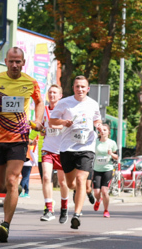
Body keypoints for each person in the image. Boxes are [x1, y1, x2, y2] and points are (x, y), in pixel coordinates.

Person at [0, 47, 44, 242]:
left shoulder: (30, 82)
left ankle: (5, 224)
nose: (15, 65)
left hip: (19, 137)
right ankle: (14, 192)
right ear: (5, 61)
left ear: (23, 63)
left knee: (13, 180)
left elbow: (39, 102)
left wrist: (38, 120)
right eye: (11, 61)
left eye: (18, 62)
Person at [49, 75, 102, 230]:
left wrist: (98, 126)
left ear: (88, 89)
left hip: (87, 147)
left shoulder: (93, 104)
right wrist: (64, 122)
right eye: (77, 86)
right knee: (72, 183)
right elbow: (52, 121)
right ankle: (86, 190)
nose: (80, 89)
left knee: (80, 180)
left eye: (83, 87)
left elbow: (97, 120)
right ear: (73, 88)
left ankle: (76, 215)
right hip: (67, 147)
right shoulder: (64, 103)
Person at [39, 84, 69, 223]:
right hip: (47, 148)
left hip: (62, 150)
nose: (52, 95)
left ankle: (64, 208)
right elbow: (40, 126)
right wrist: (37, 132)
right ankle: (49, 209)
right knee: (46, 177)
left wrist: (56, 126)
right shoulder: (44, 109)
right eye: (50, 92)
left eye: (55, 93)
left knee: (63, 182)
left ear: (60, 95)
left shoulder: (64, 110)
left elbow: (69, 126)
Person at [92, 123, 118, 217]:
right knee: (96, 192)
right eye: (101, 130)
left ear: (108, 132)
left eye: (105, 130)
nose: (102, 132)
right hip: (97, 169)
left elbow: (117, 157)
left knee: (104, 191)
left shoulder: (112, 143)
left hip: (107, 169)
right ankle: (98, 200)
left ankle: (106, 210)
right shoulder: (95, 142)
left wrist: (111, 154)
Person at [20, 134, 38, 198]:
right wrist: (36, 163)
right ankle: (20, 189)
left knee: (25, 177)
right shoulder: (30, 145)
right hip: (28, 162)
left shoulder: (23, 144)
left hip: (23, 162)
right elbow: (32, 154)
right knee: (25, 177)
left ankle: (26, 192)